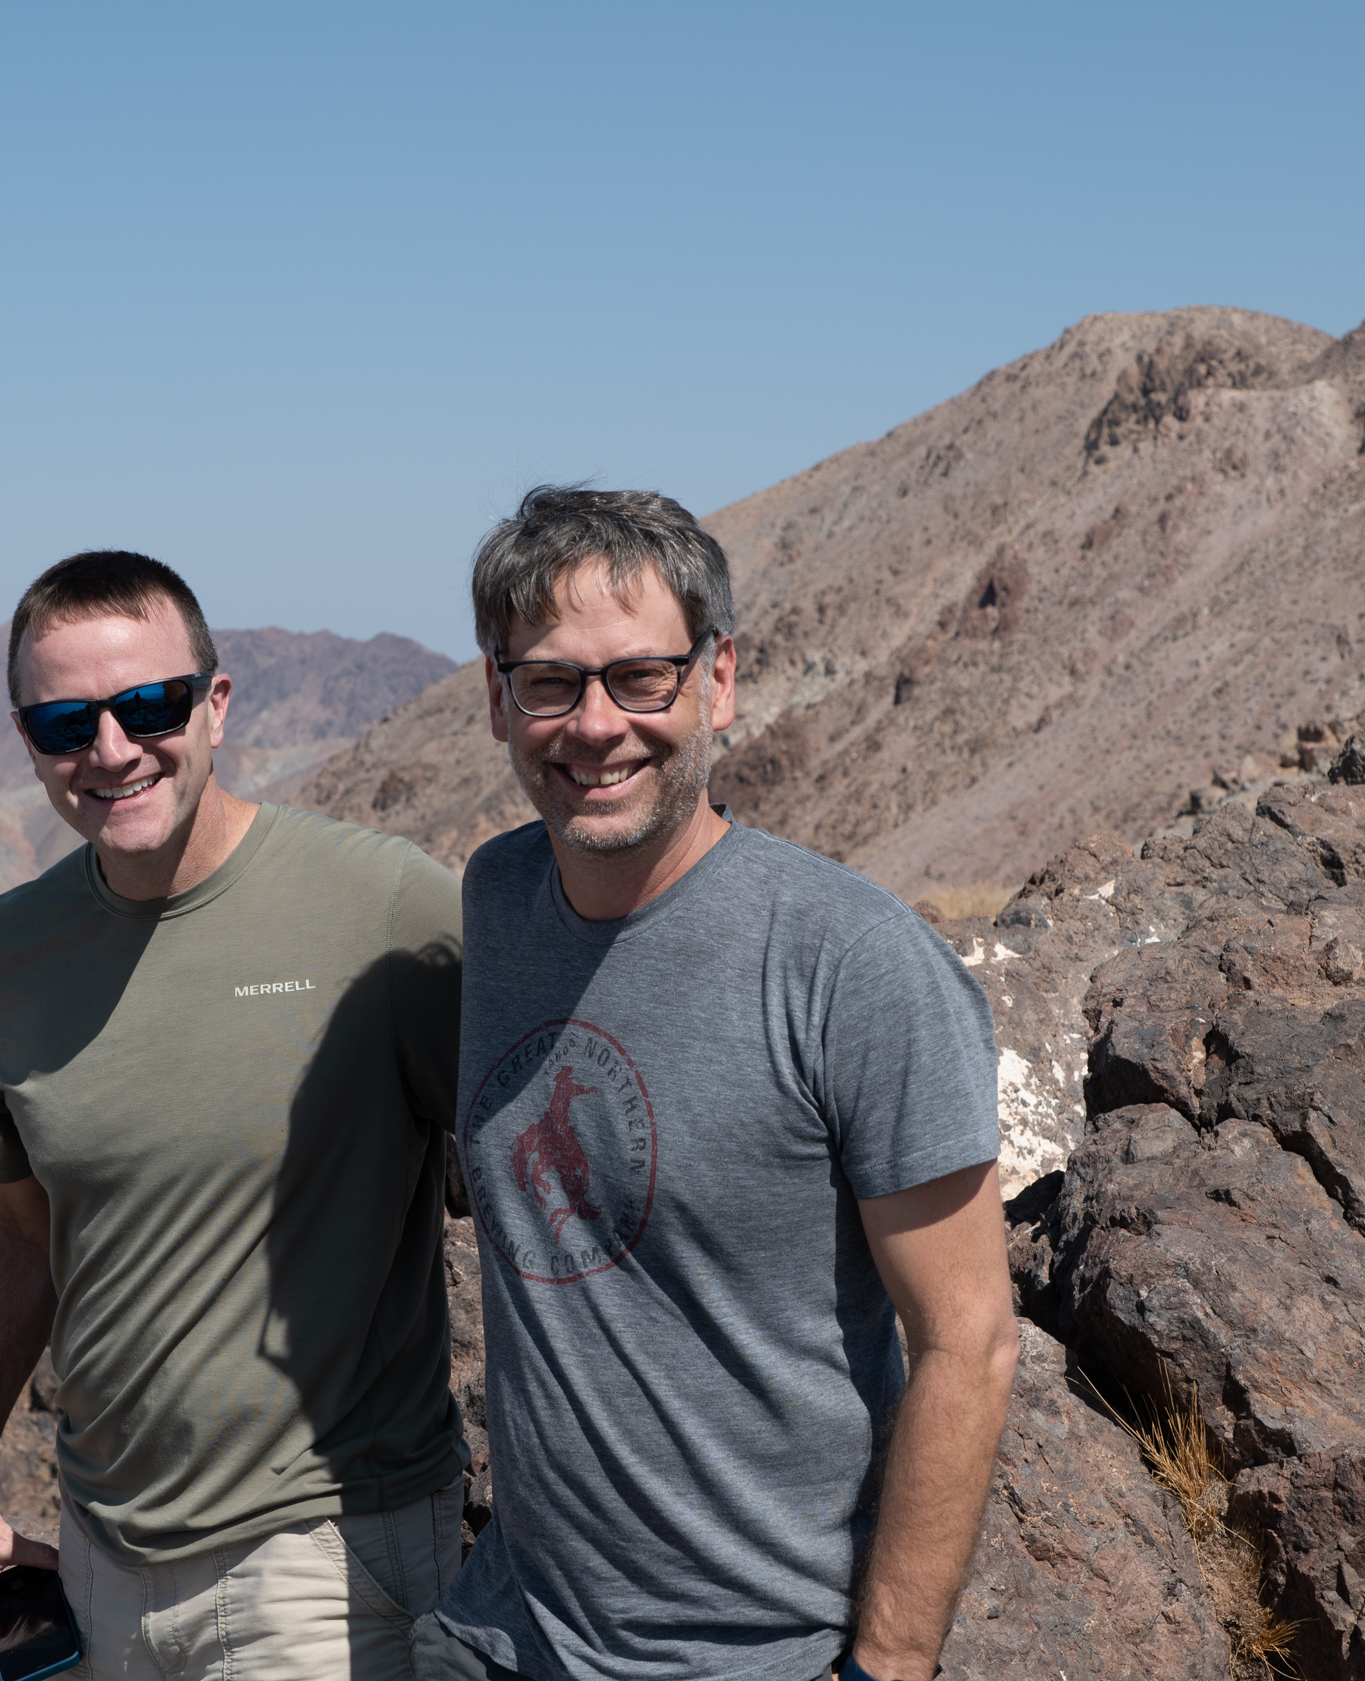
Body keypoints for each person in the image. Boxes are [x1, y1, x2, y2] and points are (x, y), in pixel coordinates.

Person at [418, 488, 1014, 1681]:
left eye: (641, 678)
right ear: (496, 699)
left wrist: (888, 1664)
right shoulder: (497, 898)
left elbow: (970, 1339)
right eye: (550, 683)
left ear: (718, 681)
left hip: (752, 1652)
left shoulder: (851, 963)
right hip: (504, 1630)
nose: (596, 726)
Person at [0, 550, 468, 1681]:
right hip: (99, 1568)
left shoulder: (384, 906)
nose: (111, 750)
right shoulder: (8, 955)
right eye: (65, 723)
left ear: (215, 703)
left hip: (324, 1567)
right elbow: (18, 1227)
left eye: (149, 706)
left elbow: (548, 1180)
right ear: (27, 739)